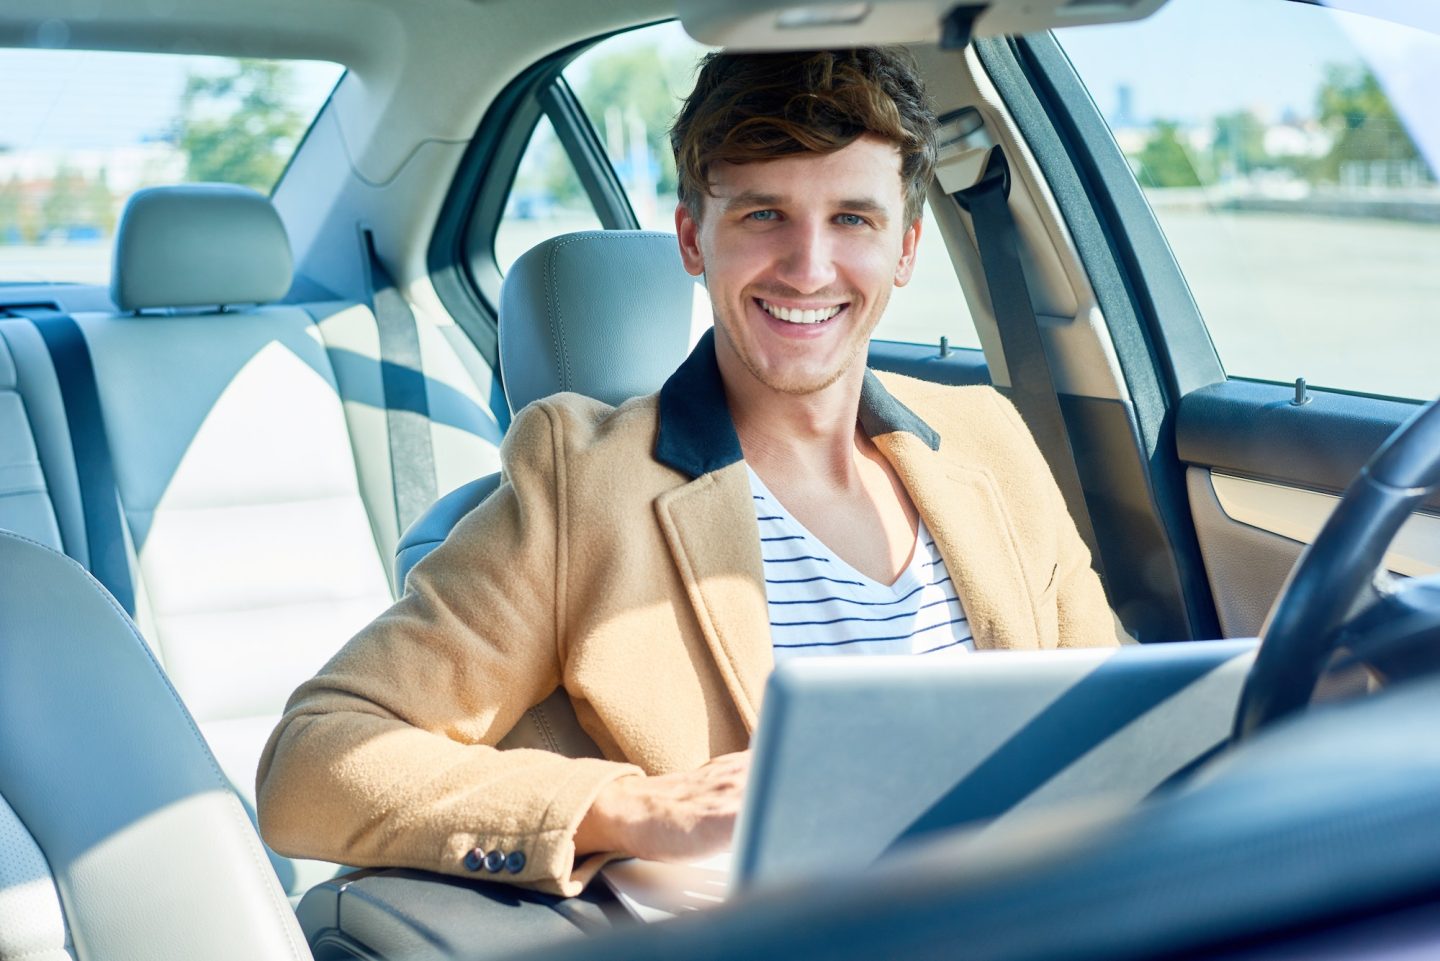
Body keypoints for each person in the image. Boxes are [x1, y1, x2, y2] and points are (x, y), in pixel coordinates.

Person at [256, 46, 1120, 899]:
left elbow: (1119, 725)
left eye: (852, 218)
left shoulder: (988, 441)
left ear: (905, 248)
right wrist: (629, 806)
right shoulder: (581, 478)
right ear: (691, 238)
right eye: (762, 215)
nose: (809, 267)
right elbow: (313, 760)